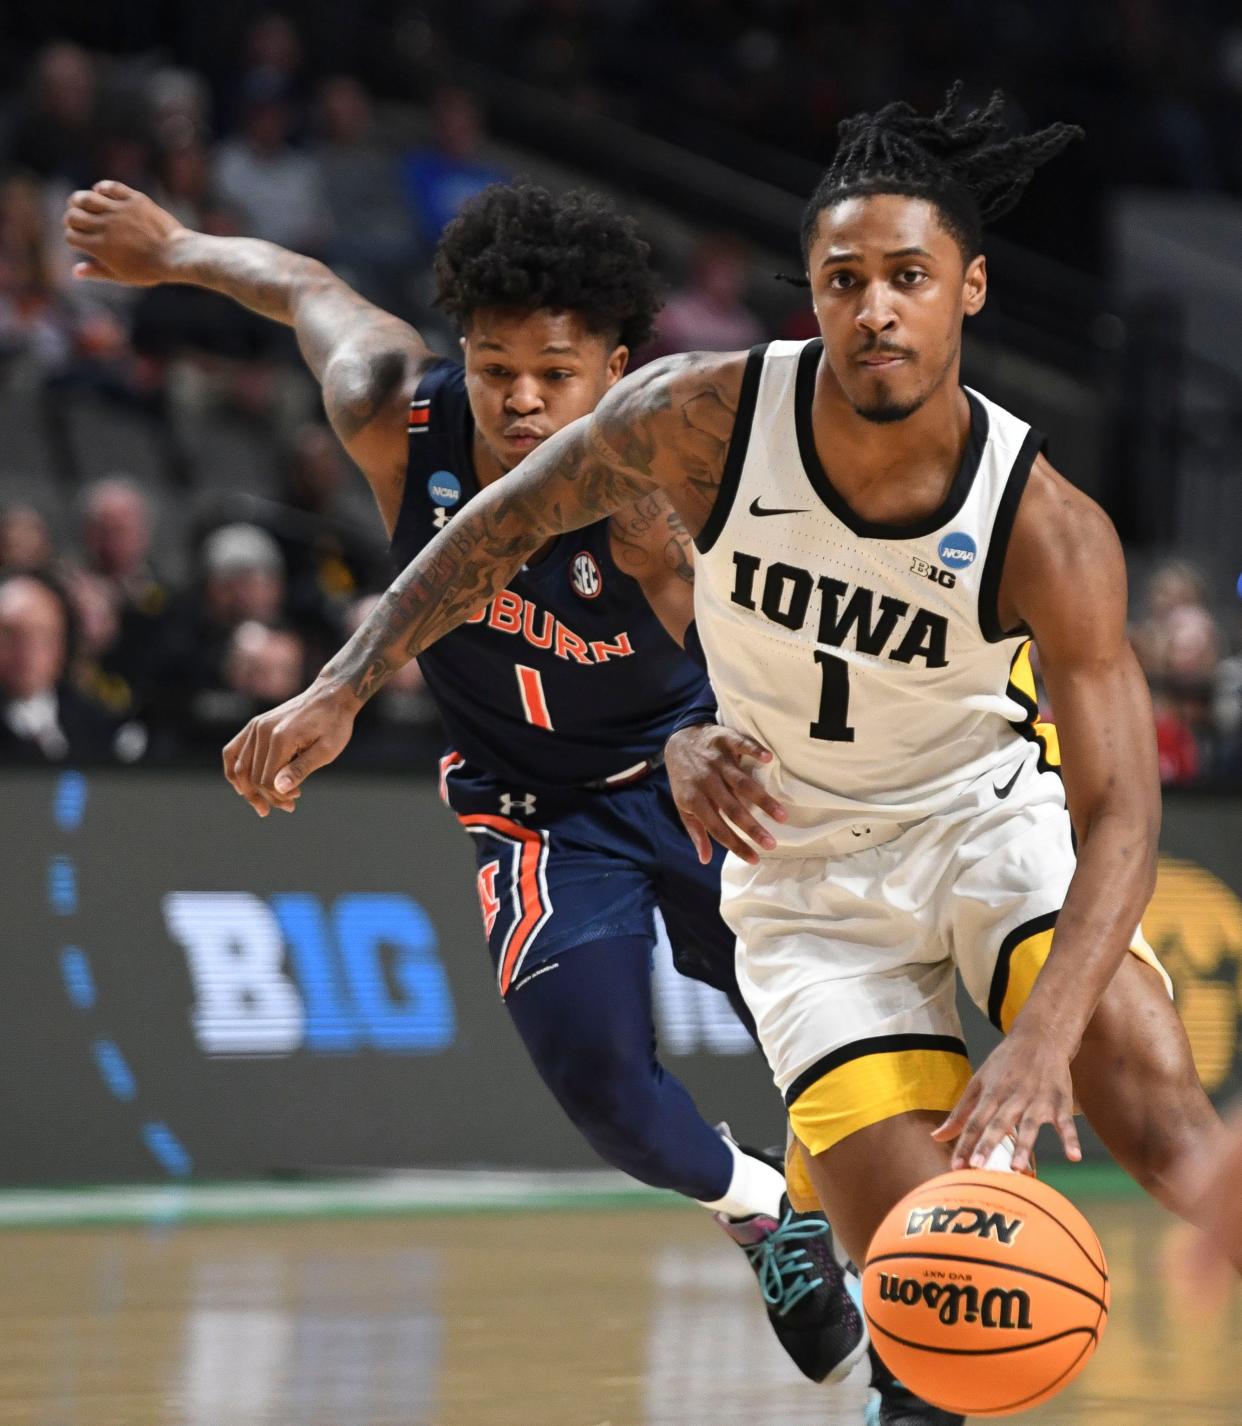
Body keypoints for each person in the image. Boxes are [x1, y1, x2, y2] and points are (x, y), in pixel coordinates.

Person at [204, 88, 1234, 1423]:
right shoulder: (699, 421)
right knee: (927, 1306)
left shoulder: (1045, 519)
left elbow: (1119, 812)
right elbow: (482, 535)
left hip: (984, 826)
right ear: (806, 293)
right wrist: (343, 689)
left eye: (907, 278)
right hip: (799, 877)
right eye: (842, 279)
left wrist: (1035, 1042)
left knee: (1162, 1130)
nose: (873, 309)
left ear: (967, 289)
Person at [62, 176, 872, 1396]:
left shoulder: (664, 505)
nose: (524, 401)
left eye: (556, 371)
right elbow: (300, 288)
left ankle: (910, 1324)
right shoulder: (397, 414)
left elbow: (775, 655)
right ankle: (760, 1206)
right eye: (497, 369)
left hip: (694, 773)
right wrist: (172, 247)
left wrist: (714, 731)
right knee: (602, 1088)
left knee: (831, 1051)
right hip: (533, 805)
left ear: (617, 367)